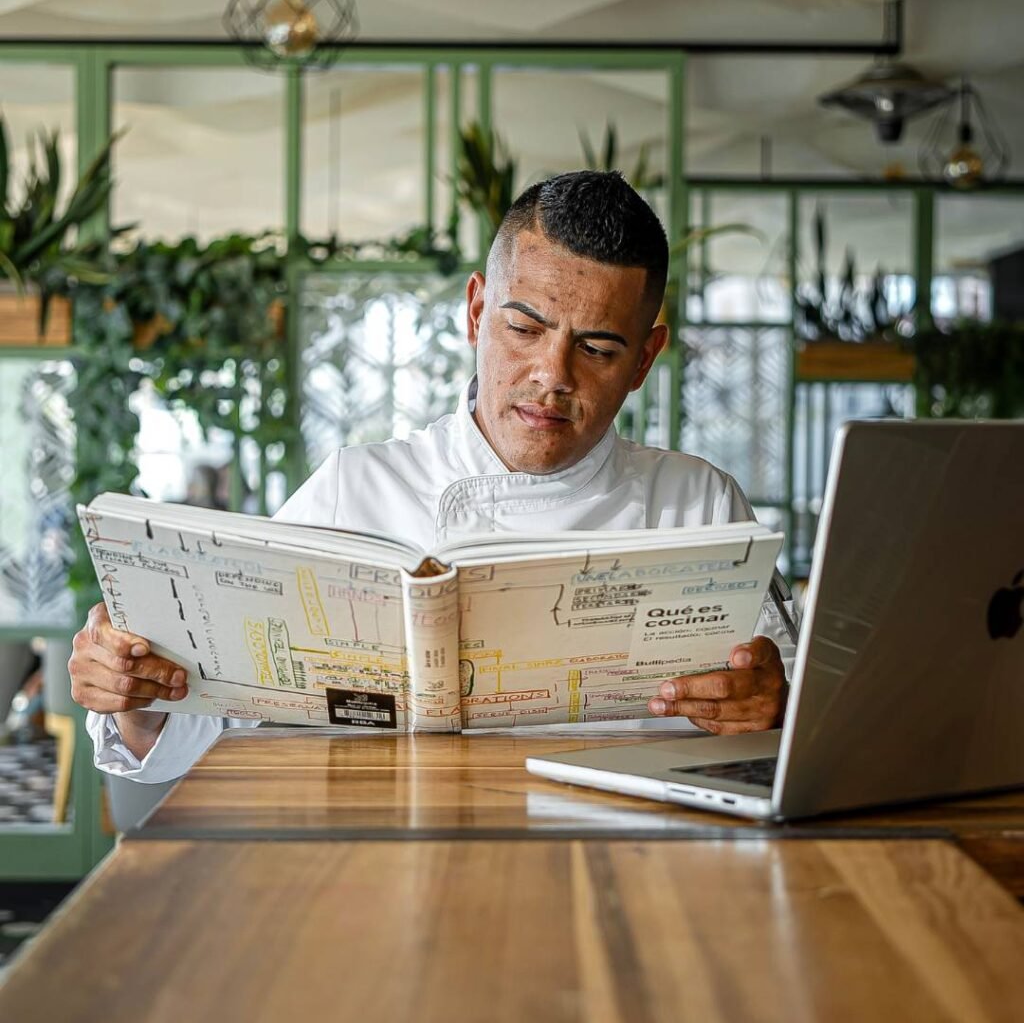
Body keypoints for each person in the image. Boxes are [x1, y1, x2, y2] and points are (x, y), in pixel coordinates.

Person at [70, 171, 793, 785]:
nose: (552, 376)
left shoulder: (698, 505)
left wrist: (775, 705)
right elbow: (202, 740)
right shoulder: (355, 490)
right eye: (524, 328)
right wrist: (135, 695)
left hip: (621, 878)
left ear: (644, 359)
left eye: (598, 348)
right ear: (477, 310)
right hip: (391, 876)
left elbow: (801, 733)